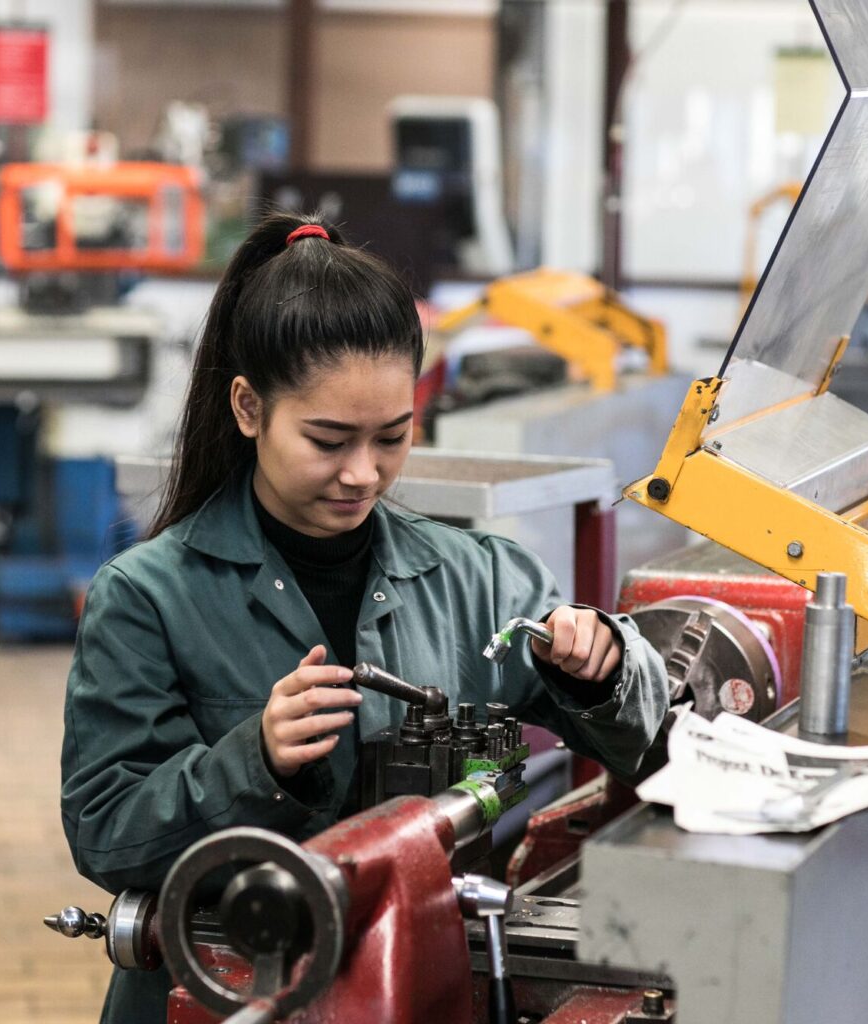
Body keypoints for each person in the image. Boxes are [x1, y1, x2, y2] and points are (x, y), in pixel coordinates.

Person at [61, 213, 669, 1023]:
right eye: (328, 439)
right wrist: (257, 764)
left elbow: (652, 742)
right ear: (248, 408)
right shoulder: (148, 598)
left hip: (419, 988)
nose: (362, 473)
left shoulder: (475, 576)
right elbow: (106, 833)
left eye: (392, 436)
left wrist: (607, 665)